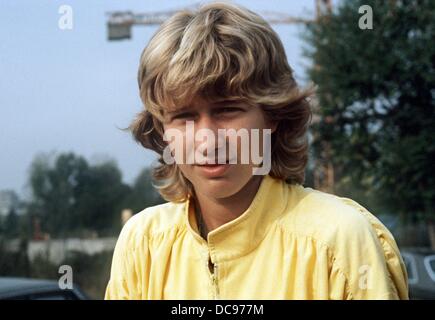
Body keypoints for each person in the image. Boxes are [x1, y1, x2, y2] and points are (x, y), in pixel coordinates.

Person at [104, 2, 408, 300]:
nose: (207, 140)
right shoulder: (142, 243)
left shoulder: (339, 241)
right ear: (162, 129)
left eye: (228, 110)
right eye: (184, 117)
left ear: (273, 114)